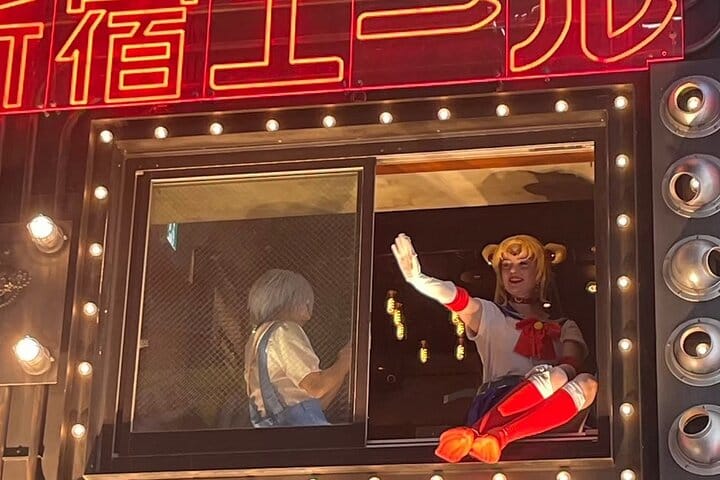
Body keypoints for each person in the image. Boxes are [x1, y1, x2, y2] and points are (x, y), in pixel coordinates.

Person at [391, 233, 597, 463]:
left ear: (540, 271)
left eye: (523, 264)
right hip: (499, 402)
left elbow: (571, 366)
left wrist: (548, 376)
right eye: (506, 265)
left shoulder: (564, 326)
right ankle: (486, 434)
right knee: (557, 376)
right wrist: (419, 280)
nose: (512, 271)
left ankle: (485, 434)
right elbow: (459, 300)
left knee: (585, 382)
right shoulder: (491, 315)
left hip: (546, 417)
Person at [244, 269, 351, 427]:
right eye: (306, 302)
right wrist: (346, 359)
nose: (309, 314)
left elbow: (317, 404)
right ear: (290, 300)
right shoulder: (284, 331)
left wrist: (343, 367)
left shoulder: (256, 339)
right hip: (299, 433)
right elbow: (316, 387)